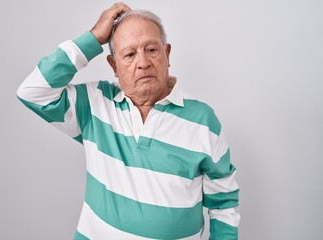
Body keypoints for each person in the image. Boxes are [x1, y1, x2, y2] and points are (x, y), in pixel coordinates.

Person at [17, 2, 240, 239]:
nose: (143, 62)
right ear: (114, 65)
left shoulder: (204, 121)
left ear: (167, 54)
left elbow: (224, 204)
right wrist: (93, 38)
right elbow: (33, 91)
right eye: (130, 54)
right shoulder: (94, 104)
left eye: (152, 50)